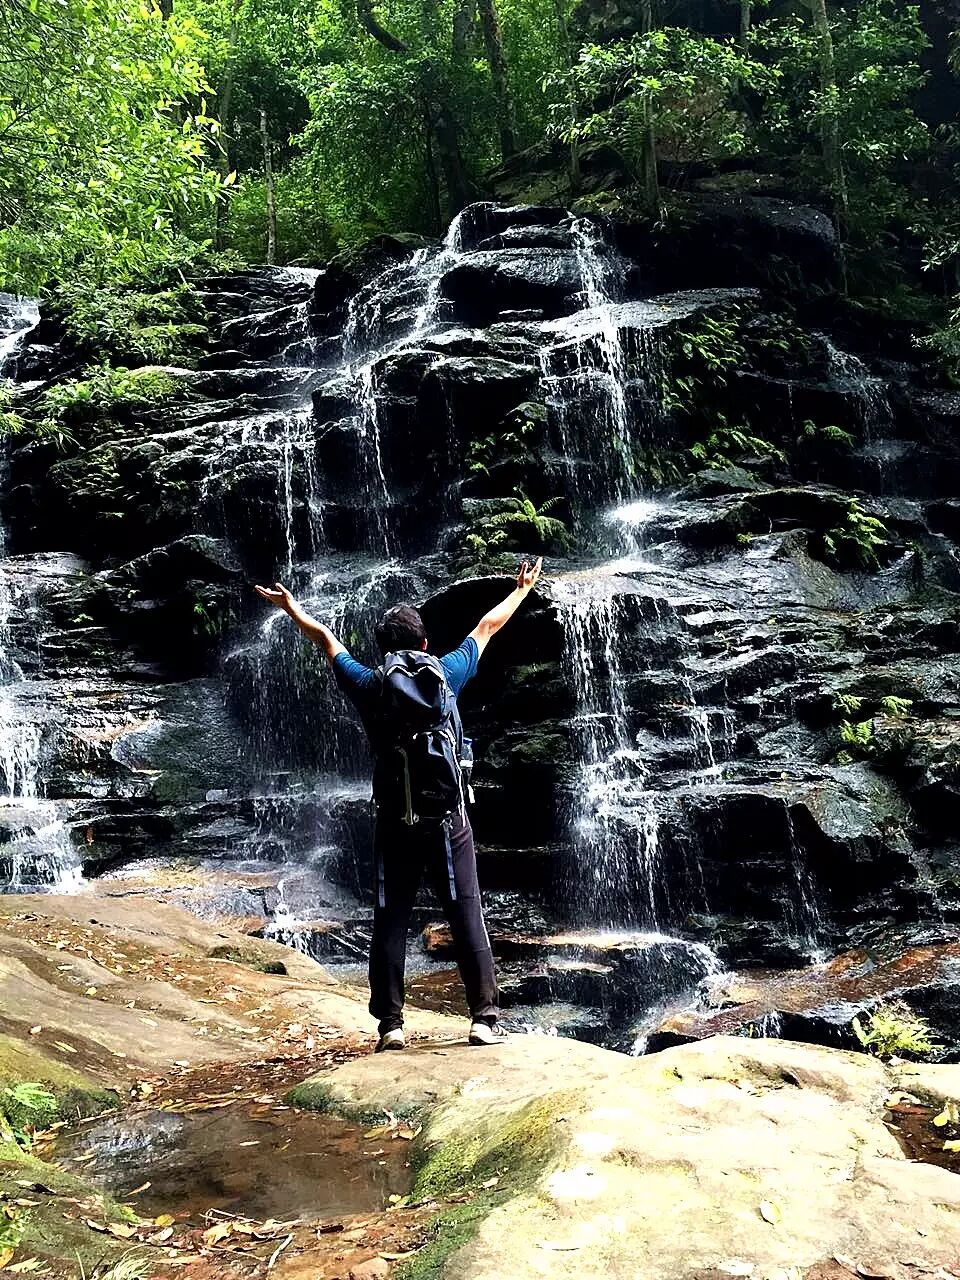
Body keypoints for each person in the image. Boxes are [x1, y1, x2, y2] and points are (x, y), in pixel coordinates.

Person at [255, 558, 543, 1051]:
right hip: (448, 820)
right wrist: (521, 589)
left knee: (391, 920)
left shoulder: (370, 684)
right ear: (425, 643)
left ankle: (390, 1026)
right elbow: (487, 627)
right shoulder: (448, 673)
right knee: (466, 914)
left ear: (383, 649)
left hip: (396, 821)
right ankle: (483, 1020)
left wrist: (291, 607)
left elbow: (326, 639)